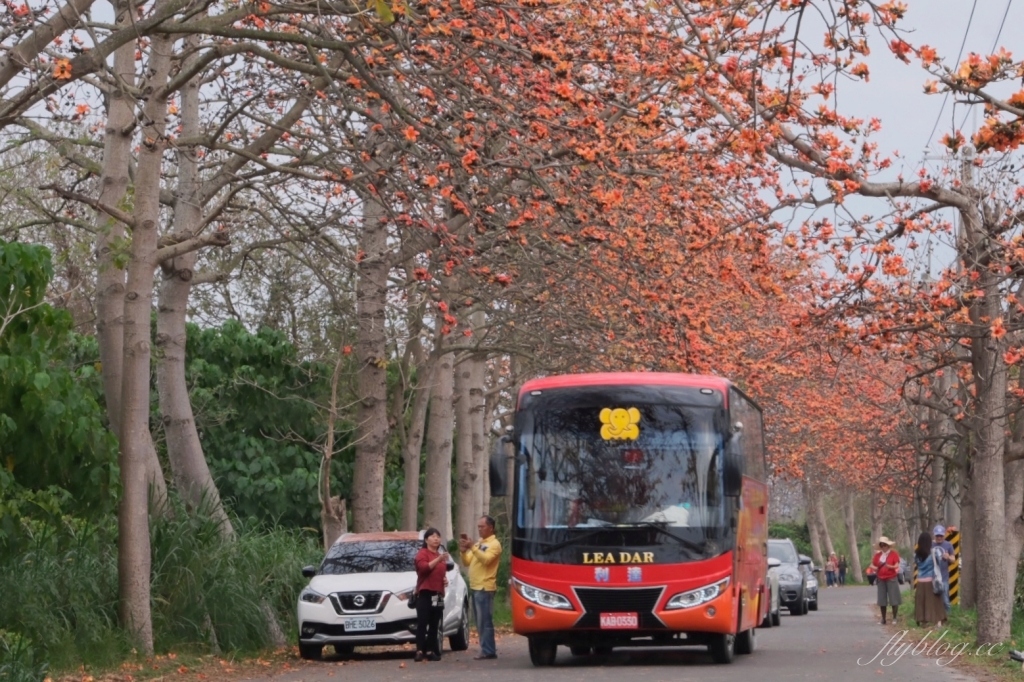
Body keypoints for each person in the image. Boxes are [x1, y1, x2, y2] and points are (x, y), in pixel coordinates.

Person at [460, 515, 502, 660]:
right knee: (479, 621)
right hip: (475, 586)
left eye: (482, 527)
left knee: (485, 621)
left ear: (491, 528)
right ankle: (486, 649)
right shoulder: (479, 543)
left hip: (485, 587)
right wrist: (464, 550)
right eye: (478, 527)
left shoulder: (494, 544)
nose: (479, 529)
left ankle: (489, 650)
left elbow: (486, 560)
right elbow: (467, 562)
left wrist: (472, 547)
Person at [414, 527, 449, 662]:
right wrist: (439, 559)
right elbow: (424, 568)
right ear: (426, 539)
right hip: (425, 592)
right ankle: (419, 650)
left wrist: (444, 579)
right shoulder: (422, 553)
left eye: (438, 536)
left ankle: (430, 649)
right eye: (433, 536)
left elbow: (441, 572)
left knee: (435, 623)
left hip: (438, 593)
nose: (436, 539)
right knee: (423, 622)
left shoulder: (440, 556)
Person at [912, 531, 946, 627]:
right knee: (936, 602)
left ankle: (923, 621)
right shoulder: (934, 552)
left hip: (920, 581)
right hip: (931, 581)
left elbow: (917, 565)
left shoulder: (916, 554)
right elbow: (939, 563)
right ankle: (938, 621)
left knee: (921, 602)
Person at [871, 536, 902, 624]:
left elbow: (896, 565)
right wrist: (875, 568)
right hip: (881, 578)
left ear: (888, 545)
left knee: (894, 598)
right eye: (881, 545)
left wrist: (890, 566)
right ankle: (883, 619)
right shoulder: (877, 556)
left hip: (891, 578)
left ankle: (895, 618)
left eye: (885, 545)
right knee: (882, 599)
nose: (883, 546)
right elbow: (872, 565)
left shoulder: (893, 554)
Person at [932, 525, 954, 615]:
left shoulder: (948, 545)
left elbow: (953, 559)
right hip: (932, 577)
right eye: (937, 536)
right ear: (934, 535)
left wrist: (948, 557)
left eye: (941, 536)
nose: (939, 538)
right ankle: (935, 618)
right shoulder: (930, 544)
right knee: (933, 599)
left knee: (945, 600)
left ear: (944, 535)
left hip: (943, 577)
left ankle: (948, 617)